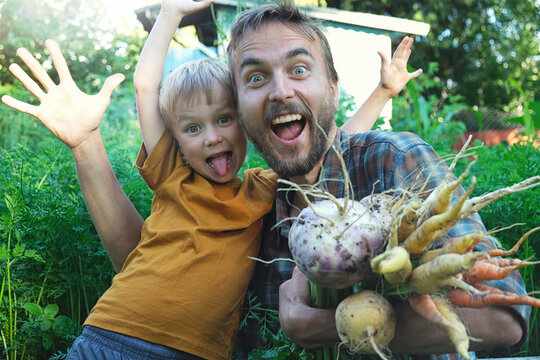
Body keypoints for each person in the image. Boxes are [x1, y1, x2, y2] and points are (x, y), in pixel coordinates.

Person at [1, 1, 421, 359]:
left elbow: (329, 144)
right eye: (192, 129)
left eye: (224, 120)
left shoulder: (261, 187)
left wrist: (382, 92)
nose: (213, 136)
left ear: (244, 122)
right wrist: (170, 14)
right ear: (176, 140)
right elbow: (146, 86)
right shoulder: (173, 175)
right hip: (114, 336)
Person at [223, 2, 531, 359]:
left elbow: (502, 318)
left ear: (333, 88)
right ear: (239, 111)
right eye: (255, 78)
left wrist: (320, 327)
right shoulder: (253, 212)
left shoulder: (395, 160)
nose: (279, 91)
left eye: (299, 69)